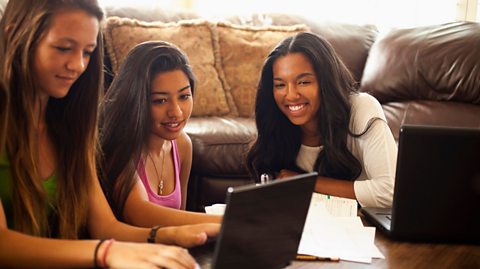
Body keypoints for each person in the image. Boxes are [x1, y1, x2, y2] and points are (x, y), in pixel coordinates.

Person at [0, 1, 219, 268]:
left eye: (88, 52)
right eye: (63, 48)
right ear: (13, 36)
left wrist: (165, 234)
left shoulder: (71, 128)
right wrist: (106, 252)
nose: (78, 65)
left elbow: (106, 228)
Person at [246, 32, 397, 208]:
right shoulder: (276, 120)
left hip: (359, 227)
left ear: (326, 82)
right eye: (280, 85)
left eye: (303, 82)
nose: (291, 95)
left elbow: (389, 192)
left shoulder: (361, 106)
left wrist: (304, 182)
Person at [98, 41, 221, 227]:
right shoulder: (121, 147)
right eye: (160, 100)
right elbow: (139, 214)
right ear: (136, 100)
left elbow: (181, 220)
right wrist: (229, 221)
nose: (177, 112)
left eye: (184, 96)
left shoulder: (182, 145)